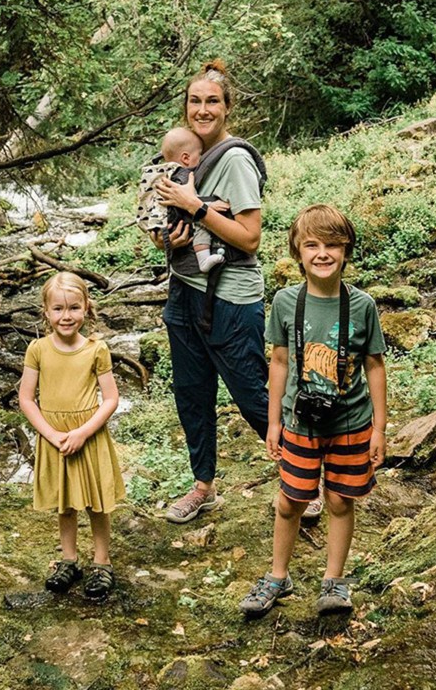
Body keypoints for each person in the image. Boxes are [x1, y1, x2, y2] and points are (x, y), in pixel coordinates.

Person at [239, 204, 388, 617]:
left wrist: (380, 428)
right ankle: (277, 576)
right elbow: (280, 362)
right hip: (299, 422)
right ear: (298, 252)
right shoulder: (286, 303)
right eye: (312, 245)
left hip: (351, 422)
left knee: (340, 500)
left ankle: (334, 581)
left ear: (346, 252)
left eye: (333, 246)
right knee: (290, 501)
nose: (323, 254)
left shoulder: (362, 306)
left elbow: (375, 365)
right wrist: (272, 421)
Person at [153, 59, 271, 524]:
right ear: (186, 107)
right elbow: (161, 223)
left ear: (227, 108)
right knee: (191, 392)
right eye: (195, 101)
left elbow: (249, 237)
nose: (203, 110)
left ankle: (307, 477)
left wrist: (195, 207)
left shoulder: (235, 159)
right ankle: (203, 485)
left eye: (212, 102)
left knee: (252, 394)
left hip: (231, 297)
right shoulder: (178, 157)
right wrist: (168, 238)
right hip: (184, 292)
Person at [18, 271, 125, 600]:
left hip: (88, 436)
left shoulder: (96, 350)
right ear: (46, 312)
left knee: (96, 502)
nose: (67, 316)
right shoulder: (37, 349)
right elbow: (26, 398)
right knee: (64, 502)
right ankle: (69, 560)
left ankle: (101, 562)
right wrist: (51, 434)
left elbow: (110, 399)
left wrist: (82, 432)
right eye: (59, 309)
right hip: (55, 438)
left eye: (74, 308)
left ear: (86, 308)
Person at [136, 127, 229, 272]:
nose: (202, 160)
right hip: (176, 220)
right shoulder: (183, 176)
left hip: (164, 222)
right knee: (202, 224)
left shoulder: (162, 173)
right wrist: (210, 207)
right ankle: (203, 258)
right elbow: (187, 202)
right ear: (186, 158)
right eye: (200, 155)